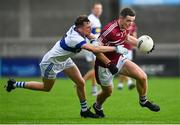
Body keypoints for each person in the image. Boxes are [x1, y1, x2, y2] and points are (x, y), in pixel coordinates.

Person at [5, 15, 128, 118]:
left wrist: (96, 40)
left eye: (90, 27)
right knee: (46, 88)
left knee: (80, 82)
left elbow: (92, 38)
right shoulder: (74, 38)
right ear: (80, 28)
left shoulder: (79, 30)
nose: (90, 30)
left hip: (64, 60)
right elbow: (93, 48)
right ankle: (15, 84)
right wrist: (115, 48)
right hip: (51, 63)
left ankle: (84, 111)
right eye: (88, 27)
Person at [92, 8, 160, 118]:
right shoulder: (109, 30)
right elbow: (95, 49)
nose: (131, 24)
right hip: (104, 66)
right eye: (128, 20)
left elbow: (126, 37)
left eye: (132, 21)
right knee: (108, 92)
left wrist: (141, 44)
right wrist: (109, 63)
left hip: (118, 59)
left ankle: (143, 101)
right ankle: (97, 106)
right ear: (121, 18)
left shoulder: (126, 27)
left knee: (142, 77)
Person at [83, 2, 103, 96]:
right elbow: (86, 32)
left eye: (100, 9)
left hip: (95, 45)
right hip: (91, 46)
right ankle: (92, 88)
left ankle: (81, 81)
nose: (99, 10)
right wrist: (93, 43)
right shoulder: (90, 19)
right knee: (95, 68)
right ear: (93, 9)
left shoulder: (96, 19)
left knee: (95, 68)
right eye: (97, 8)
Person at [117, 22, 137, 90]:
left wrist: (136, 44)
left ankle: (120, 83)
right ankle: (129, 81)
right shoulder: (121, 24)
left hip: (129, 49)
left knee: (127, 67)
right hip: (122, 48)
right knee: (122, 66)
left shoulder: (133, 25)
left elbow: (134, 35)